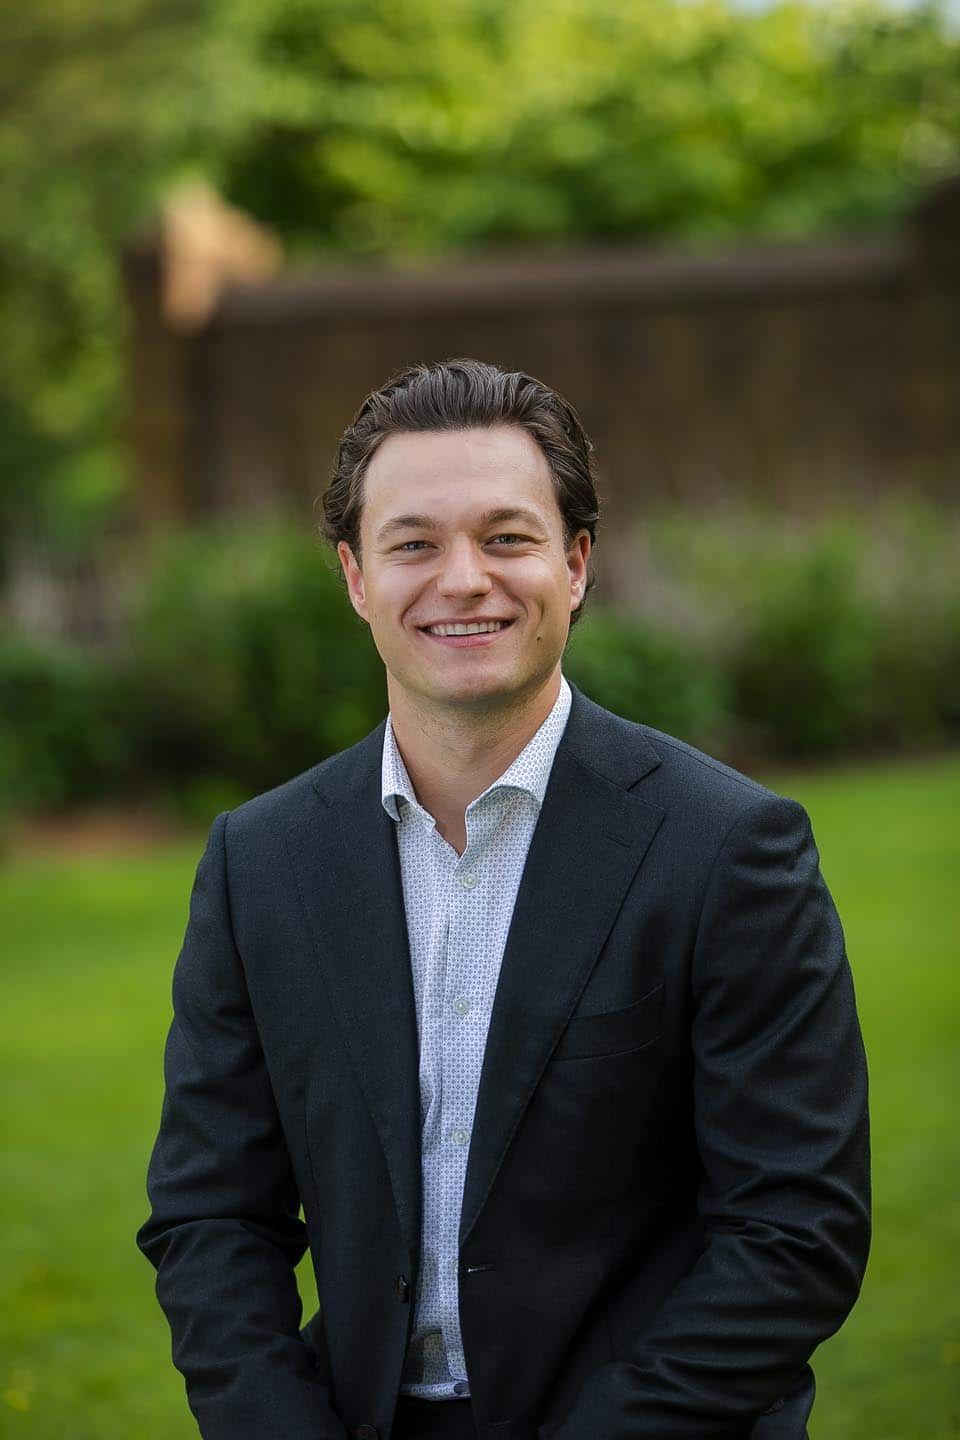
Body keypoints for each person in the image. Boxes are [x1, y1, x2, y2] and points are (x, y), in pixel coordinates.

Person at [137, 358, 870, 1440]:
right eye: (415, 543)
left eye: (508, 537)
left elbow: (793, 1232)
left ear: (575, 564)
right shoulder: (262, 862)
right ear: (354, 577)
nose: (464, 578)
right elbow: (213, 1215)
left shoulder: (728, 851)